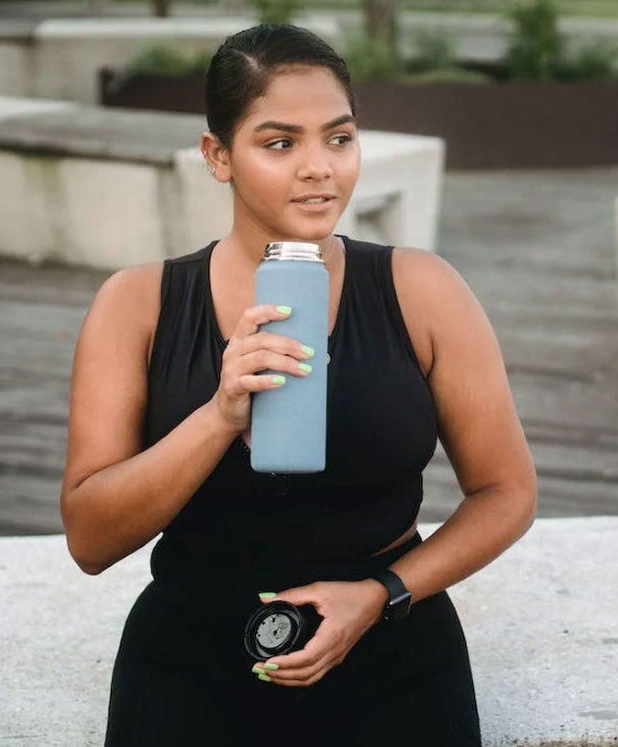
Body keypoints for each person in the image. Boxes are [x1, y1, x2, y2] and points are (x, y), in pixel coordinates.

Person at [59, 23, 537, 746]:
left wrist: (382, 595)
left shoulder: (423, 289)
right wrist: (217, 417)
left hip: (393, 649)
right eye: (280, 143)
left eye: (339, 138)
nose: (320, 167)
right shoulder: (136, 305)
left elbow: (508, 491)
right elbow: (90, 538)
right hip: (192, 659)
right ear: (218, 156)